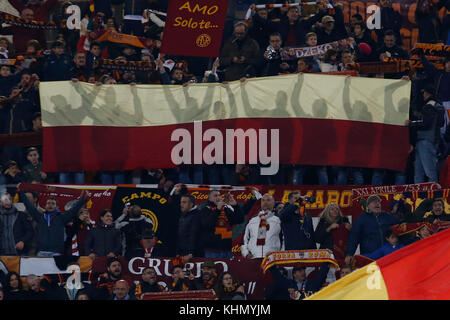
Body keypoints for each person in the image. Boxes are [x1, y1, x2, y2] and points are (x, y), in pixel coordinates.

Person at [19, 188, 90, 256]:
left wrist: (84, 199)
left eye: (53, 203)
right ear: (45, 206)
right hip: (41, 252)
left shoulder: (62, 218)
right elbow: (29, 206)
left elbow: (74, 210)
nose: (50, 205)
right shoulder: (40, 217)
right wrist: (20, 192)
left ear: (57, 207)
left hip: (56, 252)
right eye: (48, 203)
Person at [345, 195, 401, 264]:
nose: (377, 203)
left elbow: (401, 227)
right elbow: (354, 238)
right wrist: (349, 254)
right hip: (369, 257)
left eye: (379, 202)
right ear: (368, 205)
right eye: (374, 202)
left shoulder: (387, 216)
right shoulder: (360, 220)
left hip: (387, 255)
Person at [406, 84, 445, 183]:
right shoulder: (438, 105)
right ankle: (422, 195)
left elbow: (426, 123)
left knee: (428, 173)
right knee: (420, 172)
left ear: (427, 93)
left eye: (424, 93)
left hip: (425, 141)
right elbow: (441, 123)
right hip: (429, 141)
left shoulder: (429, 105)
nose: (423, 95)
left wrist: (411, 123)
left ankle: (434, 196)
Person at [250, 3, 328, 47]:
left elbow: (314, 18)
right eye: (292, 11)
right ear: (287, 14)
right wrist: (254, 13)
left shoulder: (303, 23)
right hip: (284, 51)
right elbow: (266, 23)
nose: (294, 13)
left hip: (300, 51)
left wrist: (322, 10)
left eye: (296, 12)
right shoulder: (280, 24)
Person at [199, 190, 244, 259]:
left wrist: (235, 206)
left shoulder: (226, 209)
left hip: (227, 250)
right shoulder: (205, 210)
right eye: (215, 195)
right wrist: (217, 210)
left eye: (219, 195)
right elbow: (207, 224)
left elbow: (239, 220)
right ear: (209, 198)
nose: (218, 197)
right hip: (211, 251)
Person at [241, 193, 282, 259]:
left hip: (272, 259)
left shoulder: (279, 220)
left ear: (273, 203)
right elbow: (244, 239)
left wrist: (280, 256)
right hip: (254, 257)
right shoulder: (252, 220)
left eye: (268, 200)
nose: (265, 202)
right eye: (263, 200)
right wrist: (246, 253)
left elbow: (284, 240)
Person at [265, 263, 330, 300]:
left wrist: (327, 261)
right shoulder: (288, 284)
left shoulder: (312, 284)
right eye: (300, 271)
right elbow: (277, 276)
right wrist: (271, 263)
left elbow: (322, 274)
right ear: (294, 274)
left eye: (304, 270)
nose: (303, 272)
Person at [171, 184, 202, 258]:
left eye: (184, 202)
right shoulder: (184, 213)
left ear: (191, 204)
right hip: (181, 252)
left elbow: (193, 235)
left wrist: (191, 253)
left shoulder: (197, 215)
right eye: (181, 202)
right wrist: (178, 251)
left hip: (191, 254)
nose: (181, 205)